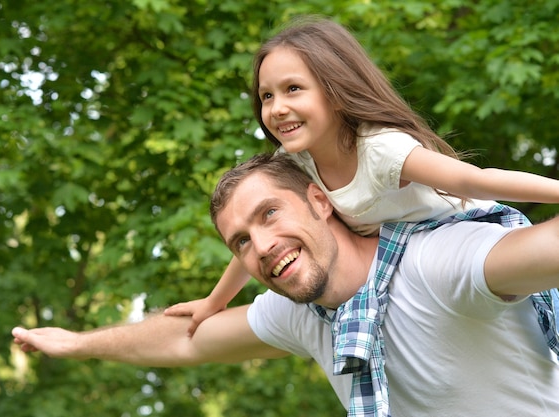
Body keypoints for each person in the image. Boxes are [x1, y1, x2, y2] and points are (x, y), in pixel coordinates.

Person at [13, 153, 559, 417]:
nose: (262, 245)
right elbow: (184, 338)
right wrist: (77, 343)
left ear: (321, 202)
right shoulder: (302, 313)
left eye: (270, 213)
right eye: (241, 241)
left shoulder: (438, 262)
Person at [165, 17, 559, 336]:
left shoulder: (381, 150)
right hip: (408, 262)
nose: (277, 108)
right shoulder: (295, 163)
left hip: (470, 238)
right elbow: (258, 237)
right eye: (267, 96)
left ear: (335, 90)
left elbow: (478, 180)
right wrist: (214, 302)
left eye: (293, 89)